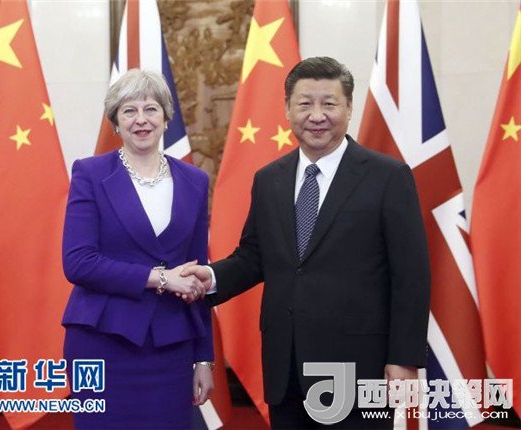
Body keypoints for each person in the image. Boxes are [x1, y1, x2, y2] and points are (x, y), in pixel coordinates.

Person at [182, 57, 431, 429]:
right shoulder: (269, 179)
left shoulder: (387, 176)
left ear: (349, 107)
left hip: (359, 366)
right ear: (287, 109)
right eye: (304, 104)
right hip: (287, 367)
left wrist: (404, 358)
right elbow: (255, 256)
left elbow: (411, 275)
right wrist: (211, 278)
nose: (317, 115)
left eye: (329, 103)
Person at [61, 68, 214, 429]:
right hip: (102, 341)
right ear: (116, 122)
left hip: (171, 346)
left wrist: (204, 359)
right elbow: (78, 262)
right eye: (129, 111)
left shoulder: (194, 181)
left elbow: (198, 277)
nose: (141, 120)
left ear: (166, 117)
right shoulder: (91, 174)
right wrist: (160, 278)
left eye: (150, 109)